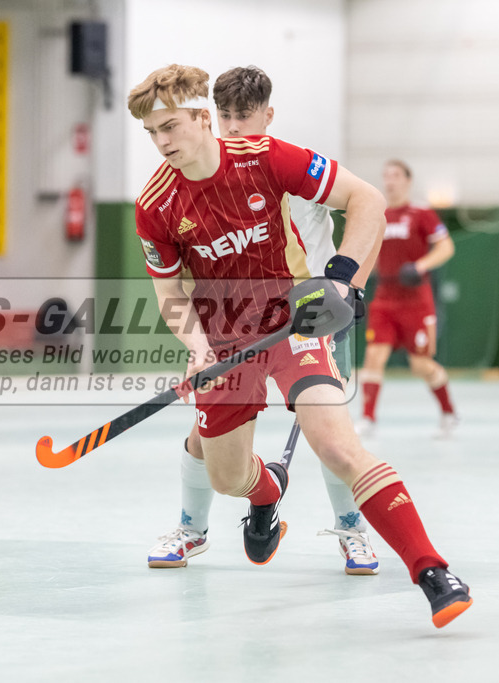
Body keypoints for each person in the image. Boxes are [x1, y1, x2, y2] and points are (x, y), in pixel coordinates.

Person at [128, 64, 471, 627]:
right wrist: (196, 346)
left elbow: (366, 202)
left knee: (336, 444)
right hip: (223, 337)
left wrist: (339, 280)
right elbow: (169, 292)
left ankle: (432, 571)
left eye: (169, 126)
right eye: (151, 133)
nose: (162, 142)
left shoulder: (267, 157)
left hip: (295, 321)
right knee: (227, 478)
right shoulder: (155, 205)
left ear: (199, 119)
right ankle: (265, 493)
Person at [147, 66, 378, 576]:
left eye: (244, 117)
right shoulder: (199, 176)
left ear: (267, 116)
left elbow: (366, 214)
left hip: (307, 315)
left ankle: (352, 530)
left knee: (328, 428)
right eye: (224, 116)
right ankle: (192, 526)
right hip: (235, 324)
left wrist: (345, 287)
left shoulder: (287, 166)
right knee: (205, 432)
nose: (233, 128)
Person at [358, 159, 457, 438]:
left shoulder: (421, 213)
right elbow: (373, 258)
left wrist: (421, 266)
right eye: (386, 175)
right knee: (374, 357)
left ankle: (449, 412)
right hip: (384, 300)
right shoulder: (378, 216)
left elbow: (446, 247)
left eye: (396, 175)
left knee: (420, 365)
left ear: (407, 180)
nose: (390, 181)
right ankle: (368, 418)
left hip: (416, 300)